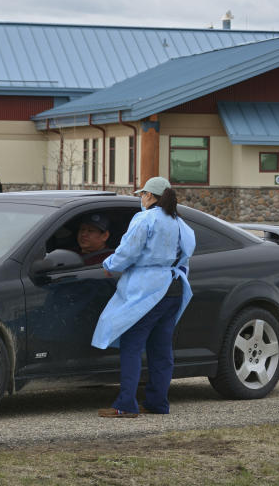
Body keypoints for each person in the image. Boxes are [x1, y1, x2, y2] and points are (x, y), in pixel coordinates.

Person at [91, 177, 195, 418]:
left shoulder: (145, 219)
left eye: (142, 194)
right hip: (174, 286)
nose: (140, 198)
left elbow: (128, 250)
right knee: (161, 349)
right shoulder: (179, 223)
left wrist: (110, 264)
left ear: (150, 195)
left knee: (132, 344)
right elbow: (186, 253)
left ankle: (126, 404)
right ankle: (158, 402)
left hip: (148, 288)